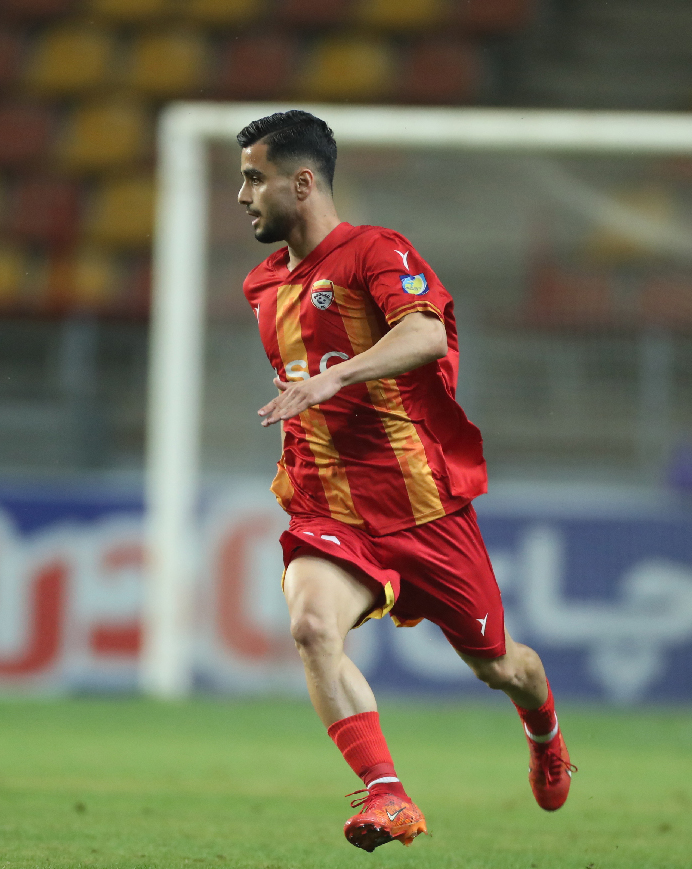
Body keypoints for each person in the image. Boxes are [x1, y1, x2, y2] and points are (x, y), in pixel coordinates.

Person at [238, 111, 574, 853]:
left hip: (424, 509)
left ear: (302, 182)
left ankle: (545, 732)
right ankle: (386, 793)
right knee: (311, 626)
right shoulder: (263, 285)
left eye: (255, 178)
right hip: (331, 508)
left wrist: (337, 378)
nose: (243, 195)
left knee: (498, 665)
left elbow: (424, 332)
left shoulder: (375, 251)